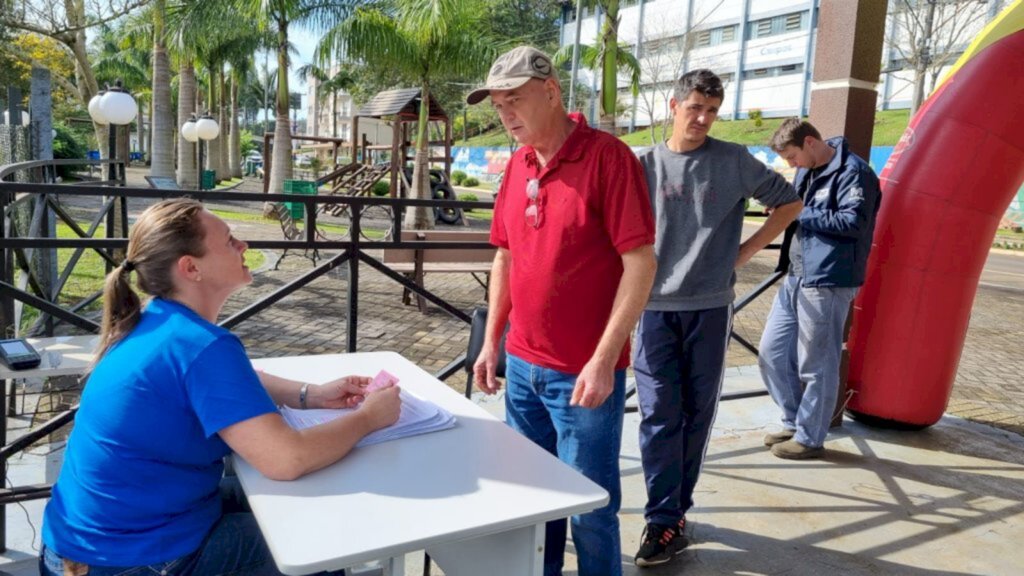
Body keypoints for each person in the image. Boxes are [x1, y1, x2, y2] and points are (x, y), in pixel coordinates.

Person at [39, 199, 401, 576]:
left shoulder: (153, 320)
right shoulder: (201, 345)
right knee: (317, 546)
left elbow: (230, 383)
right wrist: (369, 418)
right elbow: (286, 460)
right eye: (229, 241)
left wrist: (311, 394)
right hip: (129, 559)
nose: (243, 245)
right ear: (191, 268)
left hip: (78, 549)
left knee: (287, 503)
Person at [468, 46, 657, 576]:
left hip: (582, 373)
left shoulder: (607, 158)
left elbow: (640, 263)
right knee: (534, 500)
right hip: (523, 367)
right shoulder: (517, 163)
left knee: (591, 507)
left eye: (515, 100)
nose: (505, 115)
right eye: (498, 105)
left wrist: (604, 358)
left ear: (550, 92)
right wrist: (492, 340)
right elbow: (505, 253)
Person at [632, 69, 803, 567]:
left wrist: (746, 251)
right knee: (659, 412)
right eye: (695, 108)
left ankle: (672, 515)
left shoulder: (733, 160)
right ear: (673, 106)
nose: (703, 118)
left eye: (711, 110)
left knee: (694, 415)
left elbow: (790, 202)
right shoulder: (644, 164)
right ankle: (663, 518)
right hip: (654, 309)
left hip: (710, 306)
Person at [758, 118, 881, 460]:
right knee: (772, 353)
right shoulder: (806, 171)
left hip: (828, 279)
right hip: (797, 274)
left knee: (816, 364)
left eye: (793, 157)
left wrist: (800, 212)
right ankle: (795, 421)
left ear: (810, 142)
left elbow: (853, 223)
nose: (791, 165)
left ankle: (810, 437)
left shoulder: (855, 173)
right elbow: (800, 211)